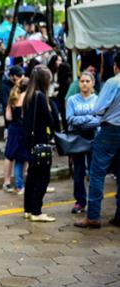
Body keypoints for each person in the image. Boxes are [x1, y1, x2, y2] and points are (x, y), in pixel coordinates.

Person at [74, 54, 120, 229]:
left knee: (97, 173)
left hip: (109, 130)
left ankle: (93, 216)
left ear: (116, 66)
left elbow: (98, 108)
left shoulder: (112, 83)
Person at [23, 65, 59, 222]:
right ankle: (37, 211)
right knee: (43, 178)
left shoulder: (29, 96)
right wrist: (52, 105)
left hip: (30, 143)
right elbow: (52, 121)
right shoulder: (40, 97)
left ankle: (28, 210)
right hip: (41, 144)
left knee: (32, 176)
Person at [66, 72, 100, 215]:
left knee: (94, 172)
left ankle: (93, 201)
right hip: (77, 139)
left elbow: (99, 119)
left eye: (87, 81)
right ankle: (80, 201)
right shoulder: (72, 100)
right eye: (82, 81)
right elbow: (70, 119)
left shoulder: (97, 100)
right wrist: (88, 118)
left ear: (93, 83)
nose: (84, 84)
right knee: (78, 172)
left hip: (94, 138)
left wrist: (81, 120)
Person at [3, 77, 29, 195]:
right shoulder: (28, 98)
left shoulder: (13, 97)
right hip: (23, 130)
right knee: (21, 159)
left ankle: (7, 182)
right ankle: (19, 184)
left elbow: (8, 117)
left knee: (9, 156)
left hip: (13, 129)